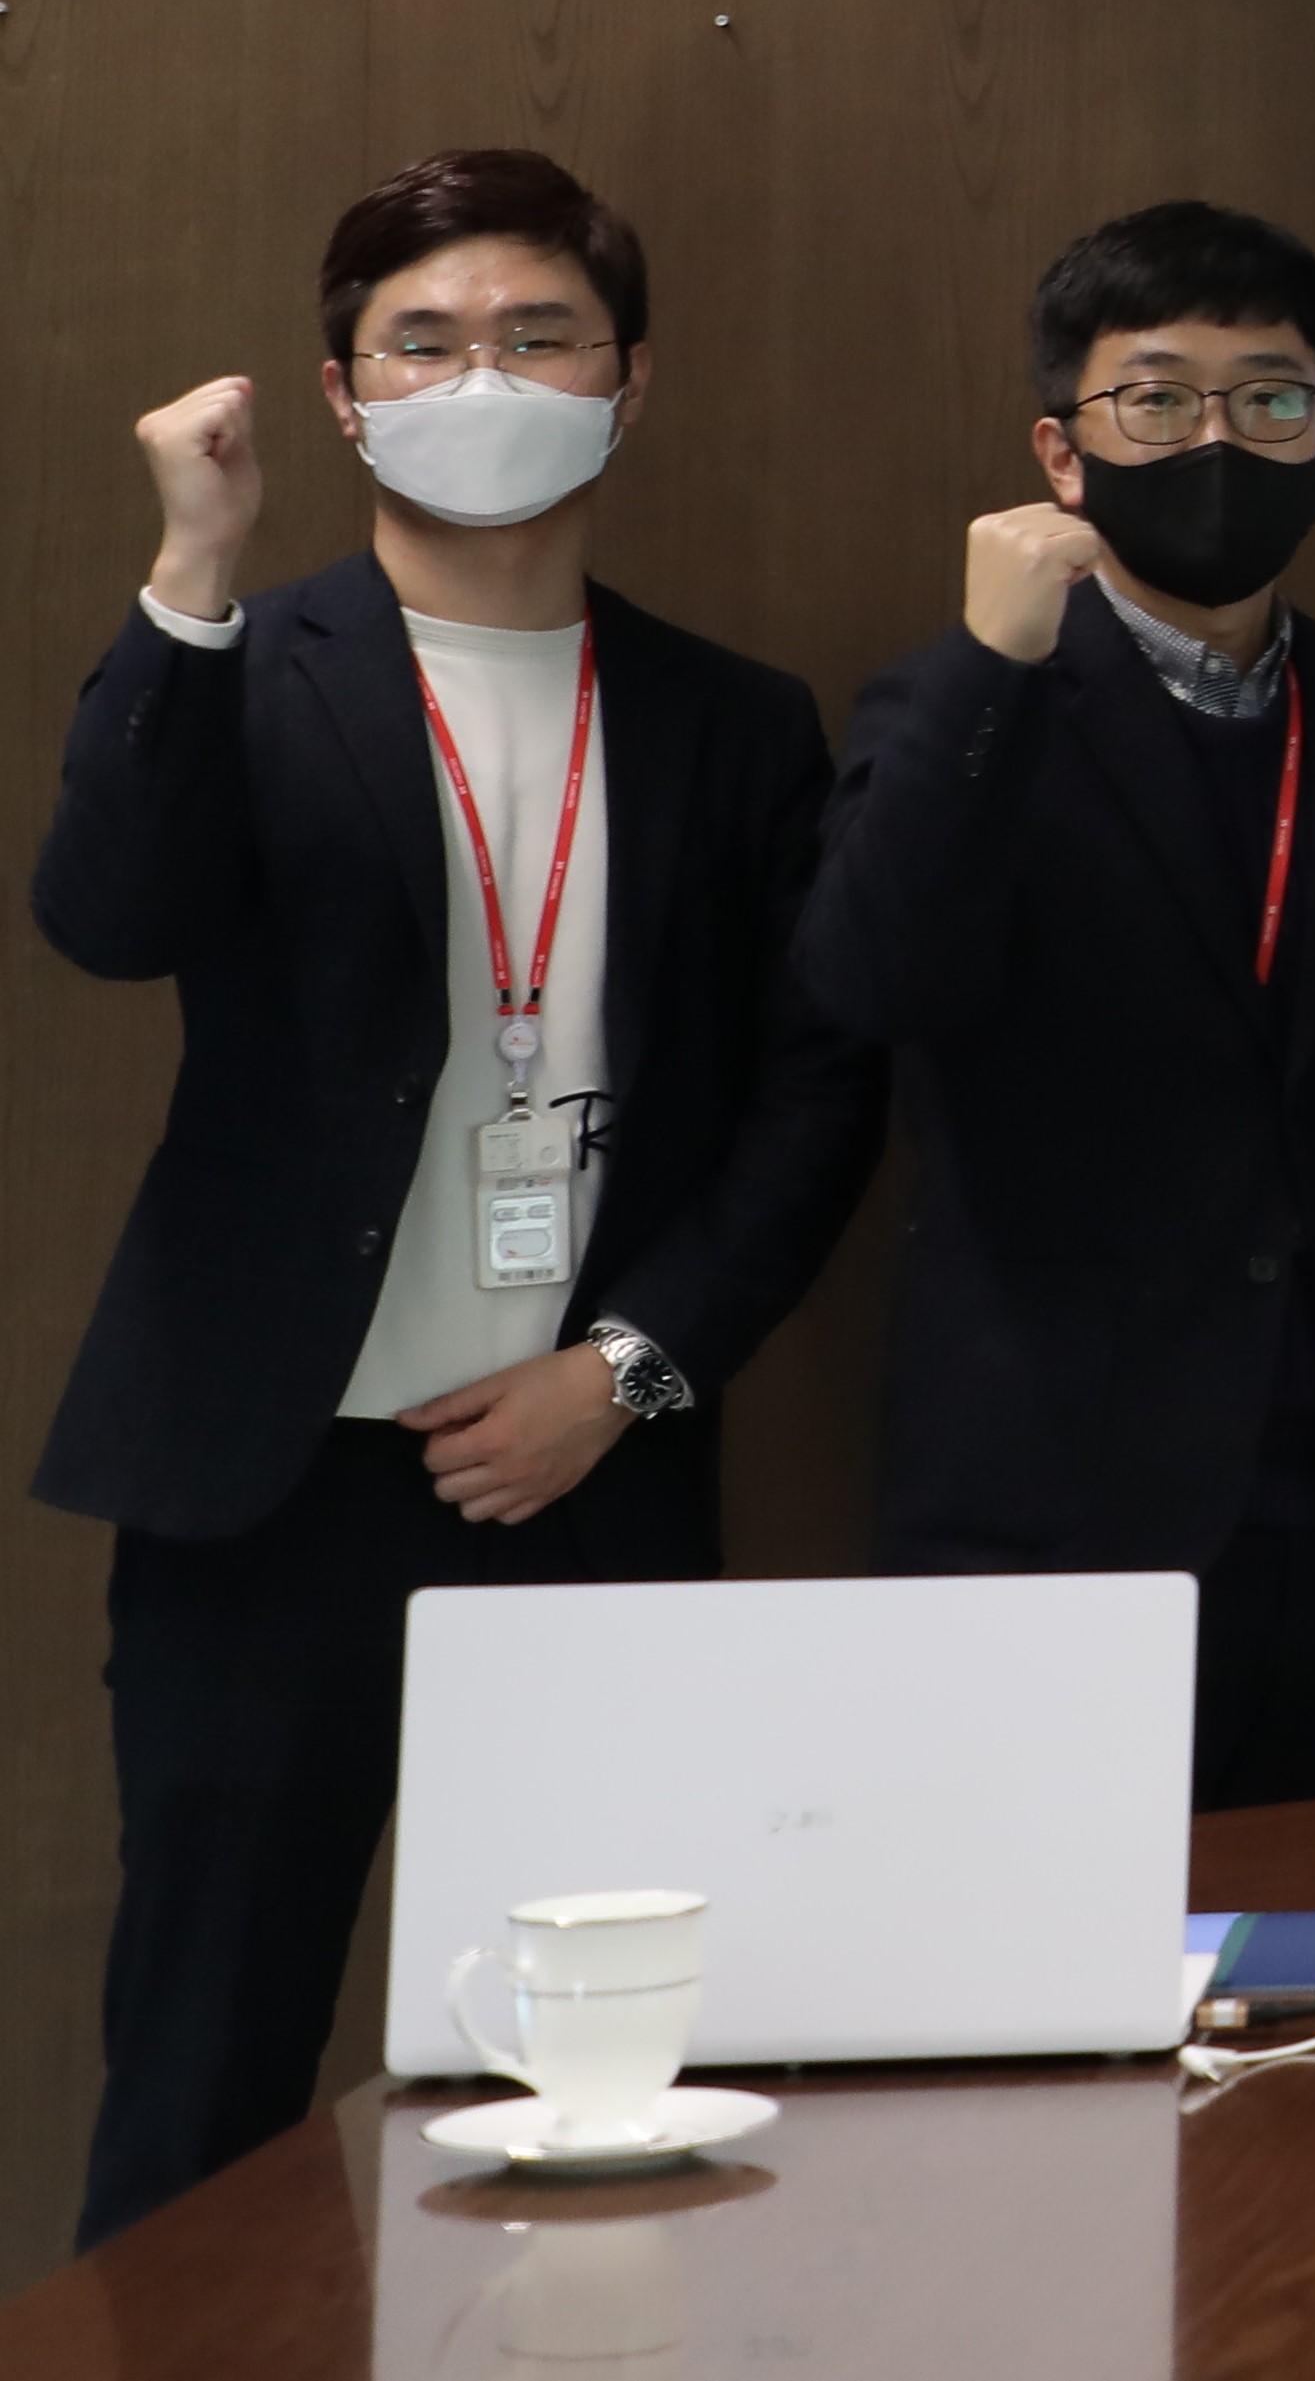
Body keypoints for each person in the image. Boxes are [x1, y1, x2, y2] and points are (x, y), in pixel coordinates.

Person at [33, 150, 883, 2243]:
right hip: (271, 1480)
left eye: (536, 334)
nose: (480, 376)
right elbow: (105, 915)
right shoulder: (243, 659)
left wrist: (630, 1368)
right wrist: (193, 569)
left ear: (628, 378)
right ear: (343, 393)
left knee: (611, 2084)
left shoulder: (729, 720)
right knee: (208, 2065)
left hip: (585, 1465)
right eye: (422, 340)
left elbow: (814, 1094)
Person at [799, 204, 1315, 1810]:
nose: (1215, 439)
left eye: (1268, 398)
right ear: (1061, 451)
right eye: (1156, 397)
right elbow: (874, 983)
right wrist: (994, 666)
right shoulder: (954, 701)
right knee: (1040, 1955)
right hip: (1048, 1502)